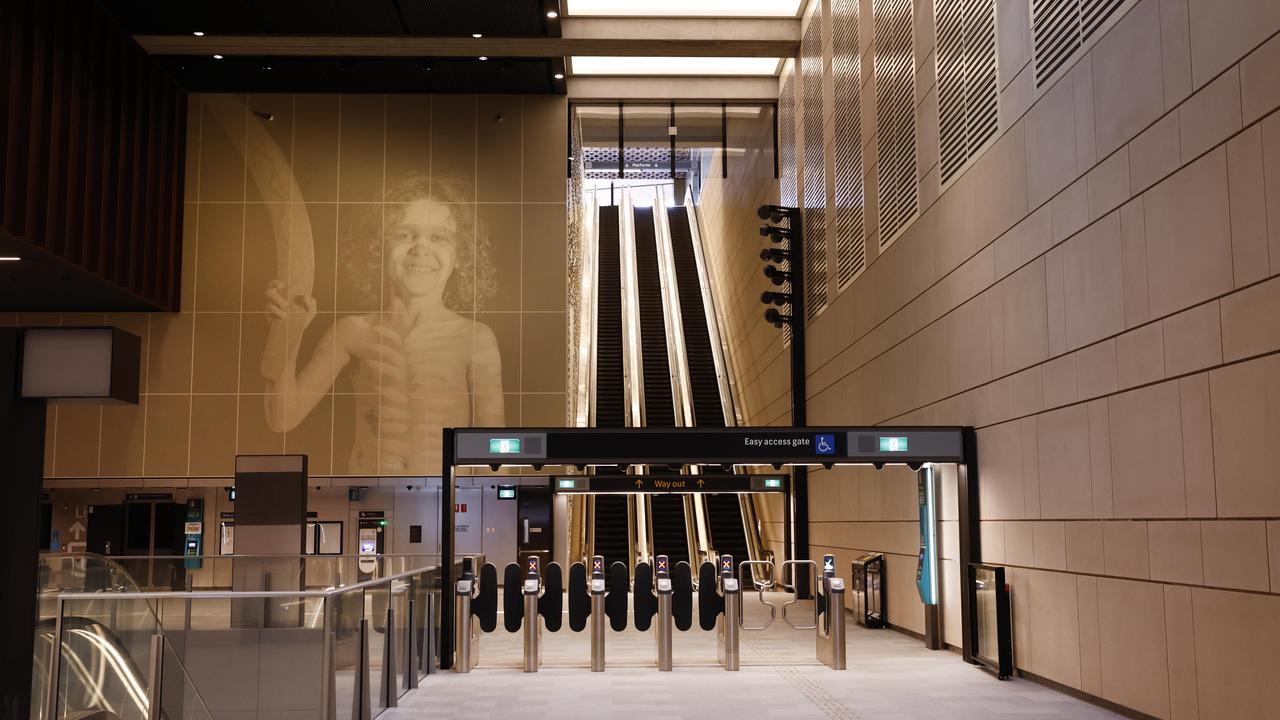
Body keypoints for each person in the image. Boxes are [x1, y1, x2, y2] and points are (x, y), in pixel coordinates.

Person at [261, 175, 504, 474]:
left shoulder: (475, 338)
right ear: (379, 246)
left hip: (449, 505)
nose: (420, 248)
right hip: (370, 504)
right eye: (404, 235)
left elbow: (494, 450)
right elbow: (282, 416)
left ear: (460, 255)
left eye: (438, 237)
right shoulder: (352, 332)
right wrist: (289, 333)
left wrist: (486, 512)